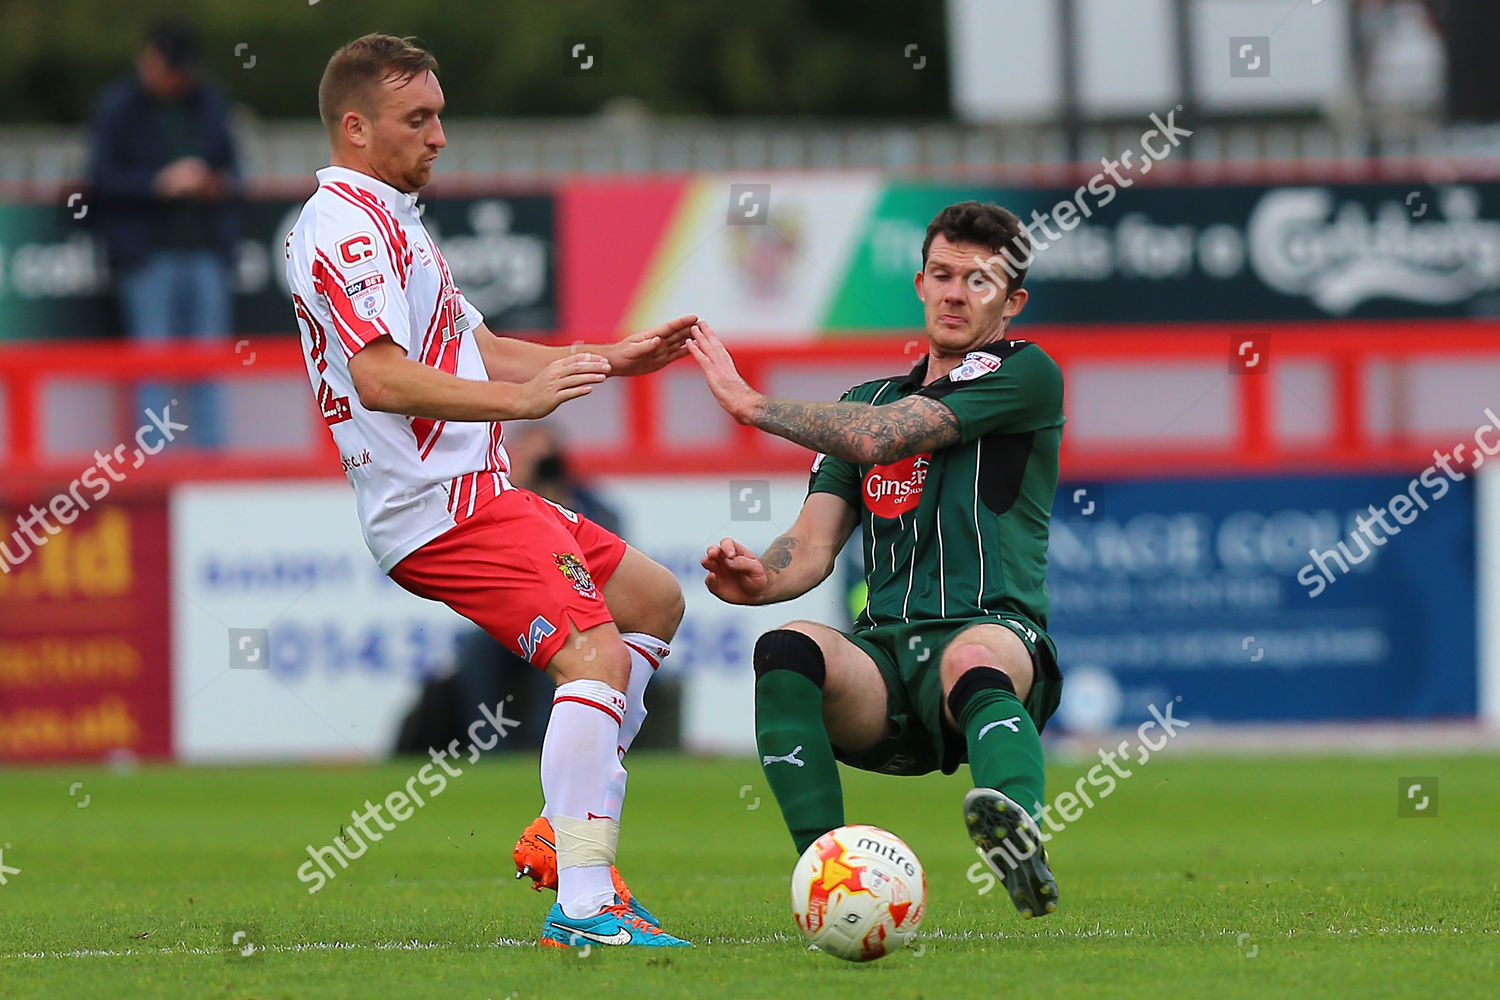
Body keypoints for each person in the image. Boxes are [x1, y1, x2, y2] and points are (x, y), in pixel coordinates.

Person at [283, 34, 693, 948]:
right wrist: (520, 402)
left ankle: (567, 819)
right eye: (417, 119)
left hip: (481, 489)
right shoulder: (343, 227)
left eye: (439, 114)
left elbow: (481, 349)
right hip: (438, 507)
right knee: (594, 662)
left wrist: (605, 359)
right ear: (356, 128)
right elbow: (382, 378)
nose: (439, 135)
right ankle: (585, 906)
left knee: (654, 602)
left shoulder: (394, 219)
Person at [688, 201, 1066, 918]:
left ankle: (1018, 833)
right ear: (920, 284)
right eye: (943, 274)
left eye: (979, 281)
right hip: (888, 665)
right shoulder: (865, 399)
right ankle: (829, 878)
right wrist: (762, 576)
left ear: (1012, 302)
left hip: (995, 639)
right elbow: (814, 544)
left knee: (968, 660)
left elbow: (885, 439)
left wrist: (752, 405)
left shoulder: (1026, 374)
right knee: (788, 648)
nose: (956, 293)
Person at [88, 19, 241, 447]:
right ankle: (151, 465)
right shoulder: (118, 106)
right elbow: (100, 179)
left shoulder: (210, 102)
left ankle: (213, 465)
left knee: (210, 366)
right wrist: (159, 182)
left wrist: (212, 183)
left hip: (206, 251)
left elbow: (234, 173)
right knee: (150, 366)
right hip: (146, 256)